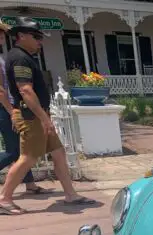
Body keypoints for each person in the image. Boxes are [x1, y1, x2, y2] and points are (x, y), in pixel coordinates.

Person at [0, 17, 94, 215]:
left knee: (58, 152)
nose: (39, 41)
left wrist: (46, 117)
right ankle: (5, 199)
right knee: (28, 157)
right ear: (21, 36)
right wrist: (44, 119)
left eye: (40, 37)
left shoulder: (24, 56)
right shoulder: (19, 58)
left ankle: (70, 194)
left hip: (38, 116)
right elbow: (25, 90)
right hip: (30, 116)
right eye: (35, 37)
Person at [0, 21, 49, 195]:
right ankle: (5, 198)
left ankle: (29, 184)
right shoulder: (13, 57)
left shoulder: (5, 56)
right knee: (17, 152)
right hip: (6, 108)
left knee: (23, 151)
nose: (3, 36)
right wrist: (11, 110)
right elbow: (2, 90)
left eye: (3, 33)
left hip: (11, 106)